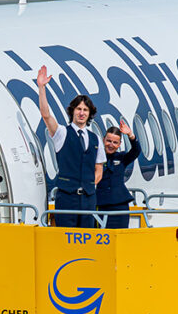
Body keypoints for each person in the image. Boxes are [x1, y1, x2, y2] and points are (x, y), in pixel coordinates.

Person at [36, 66, 104, 228]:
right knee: (65, 239)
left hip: (88, 199)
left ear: (90, 114)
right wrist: (41, 88)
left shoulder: (95, 139)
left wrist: (87, 186)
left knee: (87, 238)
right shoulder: (61, 133)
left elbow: (99, 170)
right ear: (72, 111)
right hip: (67, 198)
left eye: (85, 110)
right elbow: (46, 115)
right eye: (79, 109)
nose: (81, 113)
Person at [96, 121, 141, 229]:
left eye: (115, 142)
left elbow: (136, 151)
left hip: (120, 204)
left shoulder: (122, 158)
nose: (111, 145)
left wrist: (130, 135)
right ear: (103, 140)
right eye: (109, 141)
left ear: (119, 144)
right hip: (102, 204)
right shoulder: (96, 158)